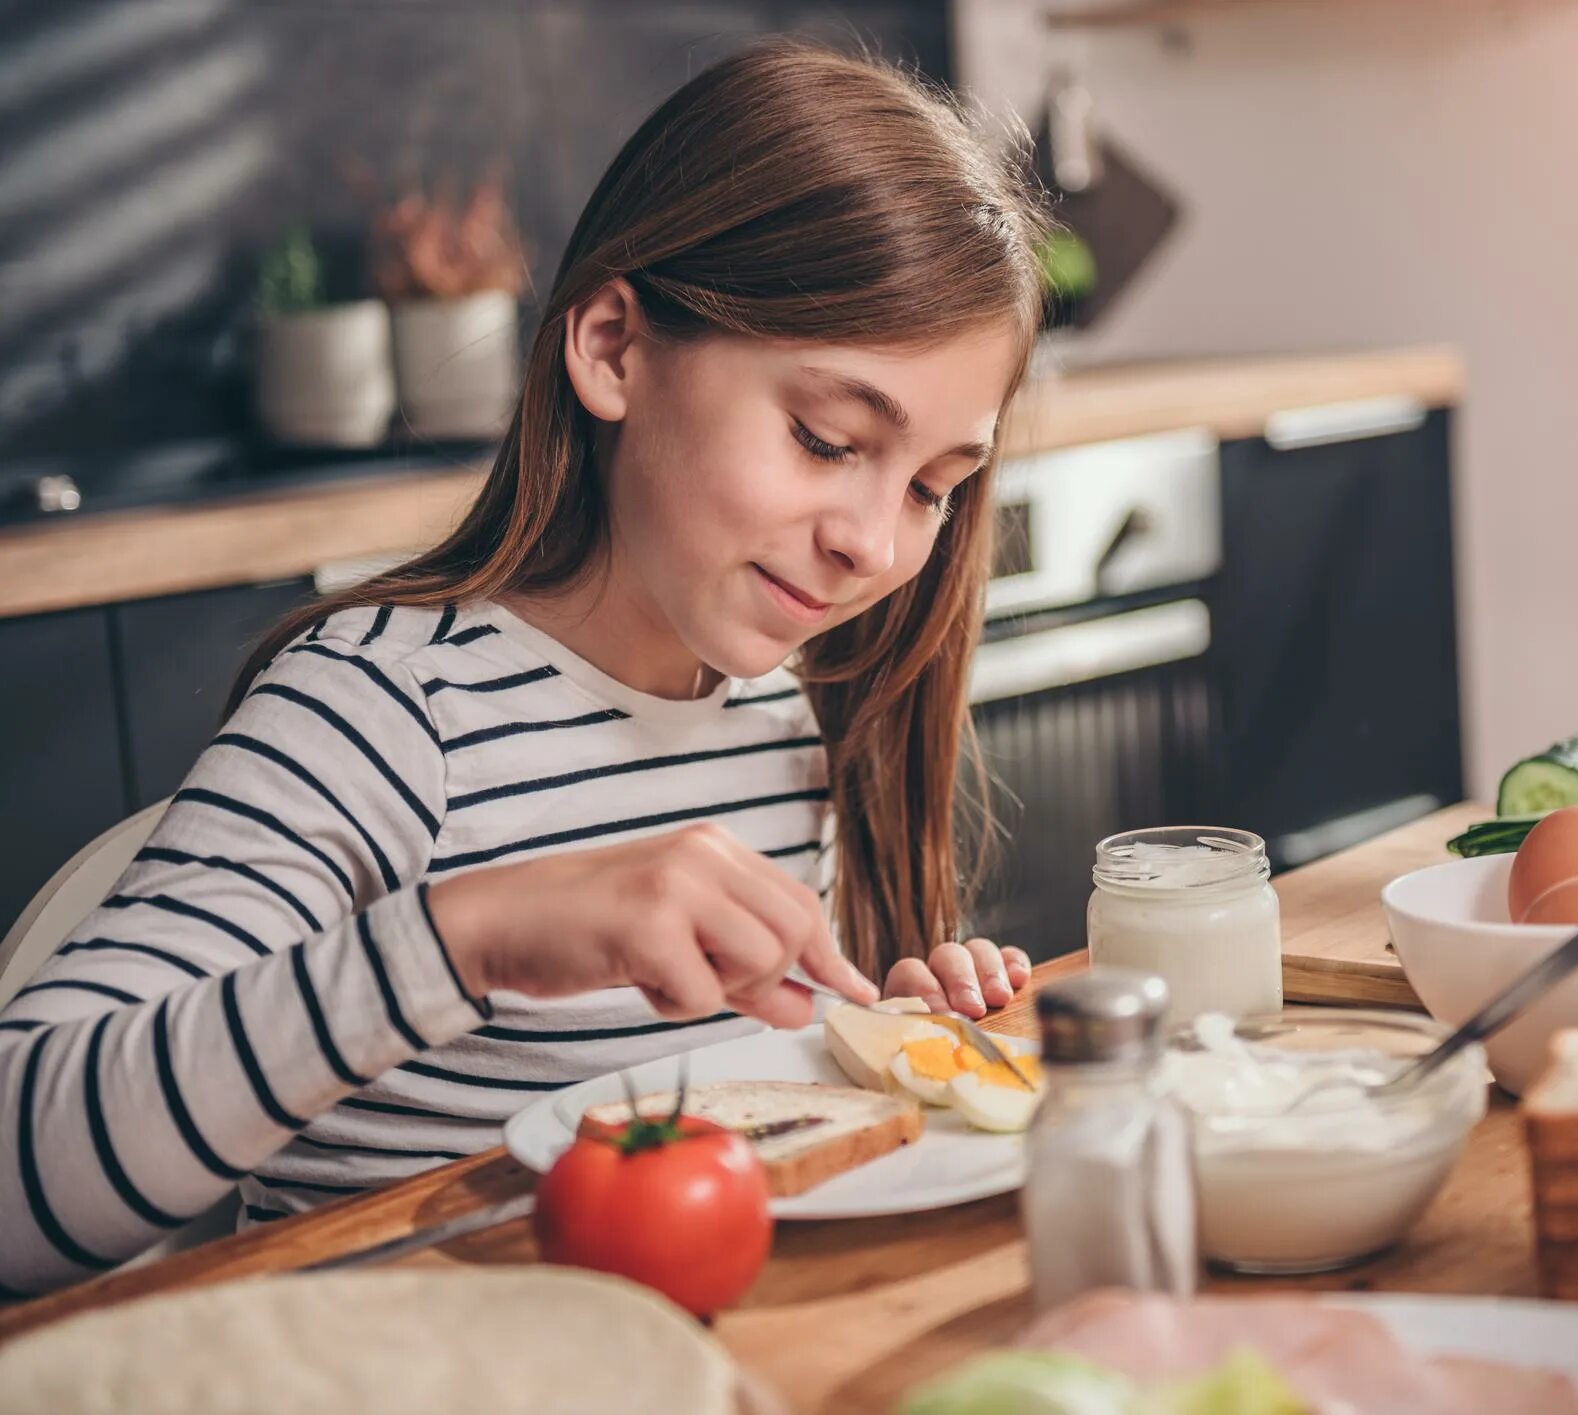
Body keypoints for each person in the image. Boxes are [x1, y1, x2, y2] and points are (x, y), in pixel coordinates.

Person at [0, 40, 1048, 1296]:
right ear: (612, 346)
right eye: (826, 439)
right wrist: (470, 935)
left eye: (936, 485)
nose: (874, 543)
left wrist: (880, 1035)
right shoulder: (382, 709)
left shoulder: (786, 724)